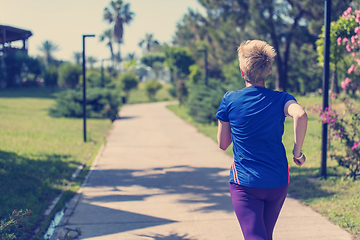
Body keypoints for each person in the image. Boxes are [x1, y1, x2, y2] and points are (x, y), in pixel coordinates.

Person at [216, 40, 307, 240]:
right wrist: (297, 152)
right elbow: (300, 115)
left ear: (242, 71)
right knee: (265, 235)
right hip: (278, 181)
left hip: (245, 184)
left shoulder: (230, 100)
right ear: (268, 71)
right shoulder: (282, 98)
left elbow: (223, 144)